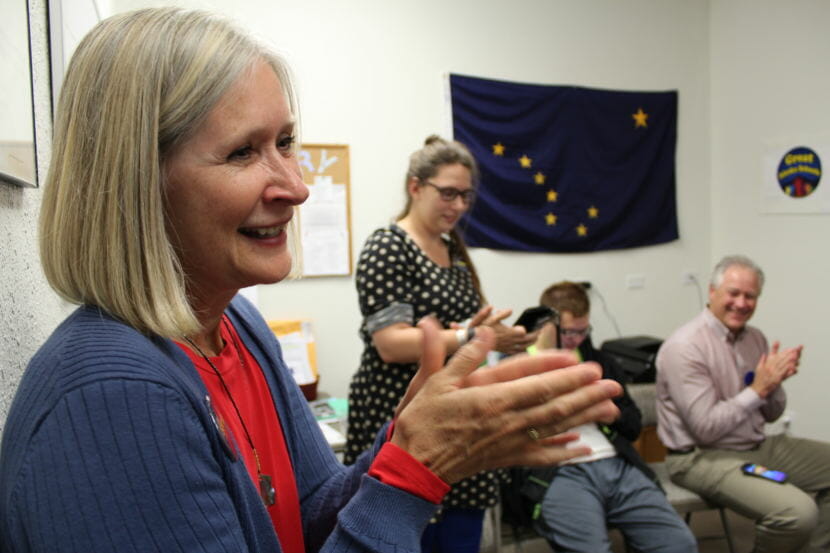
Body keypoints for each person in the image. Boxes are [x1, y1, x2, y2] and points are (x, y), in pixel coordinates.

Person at [0, 8, 625, 553]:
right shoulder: (112, 397)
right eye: (243, 152)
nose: (297, 187)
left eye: (286, 142)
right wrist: (414, 472)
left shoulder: (237, 323)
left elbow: (309, 514)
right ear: (137, 180)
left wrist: (408, 439)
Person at [345, 136, 537, 552]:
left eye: (465, 196)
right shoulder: (388, 246)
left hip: (457, 416)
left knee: (458, 537)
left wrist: (503, 338)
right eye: (448, 193)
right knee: (402, 534)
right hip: (403, 416)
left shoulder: (453, 249)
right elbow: (391, 344)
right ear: (416, 187)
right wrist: (473, 336)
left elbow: (466, 325)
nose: (459, 205)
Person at [656, 255, 830, 553]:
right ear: (712, 292)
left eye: (750, 296)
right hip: (700, 457)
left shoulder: (756, 339)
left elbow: (772, 414)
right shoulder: (685, 346)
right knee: (797, 513)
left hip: (754, 446)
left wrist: (773, 384)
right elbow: (706, 429)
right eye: (733, 293)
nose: (741, 303)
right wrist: (758, 389)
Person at [520, 281, 697, 553]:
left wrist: (610, 414)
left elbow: (633, 426)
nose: (576, 340)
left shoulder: (600, 362)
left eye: (583, 331)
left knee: (679, 545)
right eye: (568, 332)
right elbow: (516, 438)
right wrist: (554, 421)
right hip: (559, 470)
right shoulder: (519, 367)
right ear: (545, 324)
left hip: (615, 464)